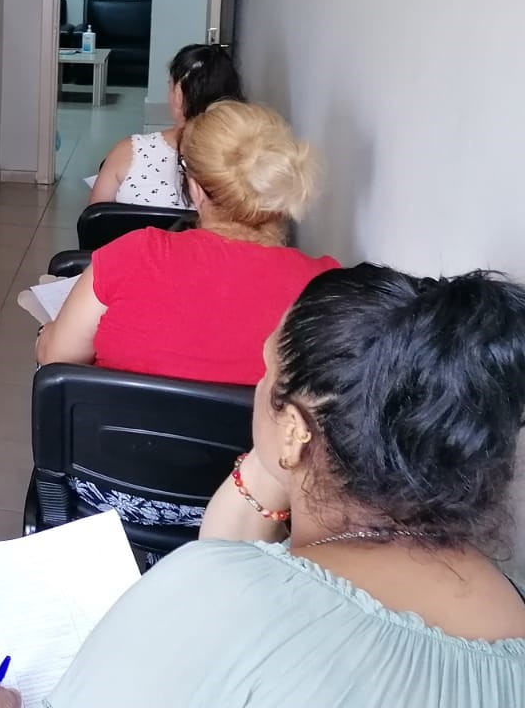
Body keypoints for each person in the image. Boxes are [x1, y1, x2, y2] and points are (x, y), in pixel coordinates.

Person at [44, 266, 525, 706]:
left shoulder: (216, 592)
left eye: (265, 370)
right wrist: (285, 449)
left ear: (296, 426)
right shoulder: (509, 606)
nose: (258, 385)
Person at [38, 101, 338, 385]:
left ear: (195, 189)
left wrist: (46, 333)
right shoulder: (328, 292)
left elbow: (55, 357)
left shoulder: (135, 255)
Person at [88, 43, 243, 206]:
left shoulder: (129, 152)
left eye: (170, 84)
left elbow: (93, 217)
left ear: (178, 95)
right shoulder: (247, 166)